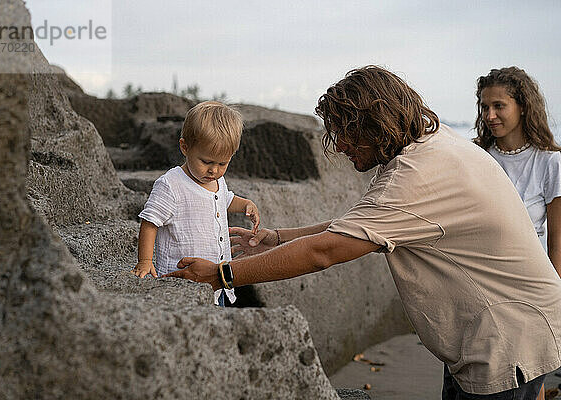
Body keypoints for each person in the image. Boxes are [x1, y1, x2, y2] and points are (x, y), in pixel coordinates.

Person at [164, 66, 561, 399]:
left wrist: (221, 274)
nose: (338, 145)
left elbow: (328, 250)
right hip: (497, 330)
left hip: (508, 338)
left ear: (372, 125)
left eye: (344, 132)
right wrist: (278, 238)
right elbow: (362, 226)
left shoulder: (416, 176)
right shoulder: (432, 146)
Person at [131, 101, 260, 306]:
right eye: (206, 162)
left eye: (222, 164)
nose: (214, 171)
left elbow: (226, 200)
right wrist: (145, 261)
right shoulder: (171, 185)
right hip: (181, 281)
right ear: (185, 147)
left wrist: (245, 204)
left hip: (218, 280)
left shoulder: (217, 182)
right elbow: (149, 223)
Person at [474, 66, 561, 277]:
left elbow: (557, 242)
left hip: (530, 277)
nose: (490, 115)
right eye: (485, 107)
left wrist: (555, 296)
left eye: (499, 106)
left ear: (523, 106)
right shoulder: (475, 157)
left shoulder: (550, 162)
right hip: (480, 275)